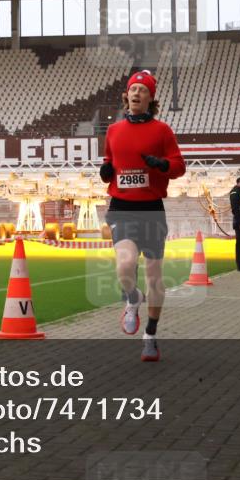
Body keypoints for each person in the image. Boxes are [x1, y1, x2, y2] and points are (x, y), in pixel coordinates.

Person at [100, 70, 186, 361]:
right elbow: (109, 160)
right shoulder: (113, 130)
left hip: (150, 209)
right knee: (124, 267)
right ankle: (132, 299)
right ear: (127, 95)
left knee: (154, 276)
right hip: (121, 207)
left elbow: (178, 167)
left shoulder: (162, 131)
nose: (137, 94)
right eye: (133, 89)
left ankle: (150, 335)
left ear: (151, 98)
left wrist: (161, 164)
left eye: (143, 90)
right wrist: (106, 170)